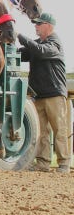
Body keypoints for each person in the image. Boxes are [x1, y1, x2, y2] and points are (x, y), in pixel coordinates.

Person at [17, 13, 70, 173]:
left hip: (54, 94)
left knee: (59, 129)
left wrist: (19, 35)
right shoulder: (38, 44)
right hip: (39, 95)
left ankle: (64, 163)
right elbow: (21, 53)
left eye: (39, 24)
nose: (36, 26)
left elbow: (40, 51)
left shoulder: (55, 43)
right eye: (36, 24)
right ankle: (43, 163)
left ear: (49, 26)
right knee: (42, 132)